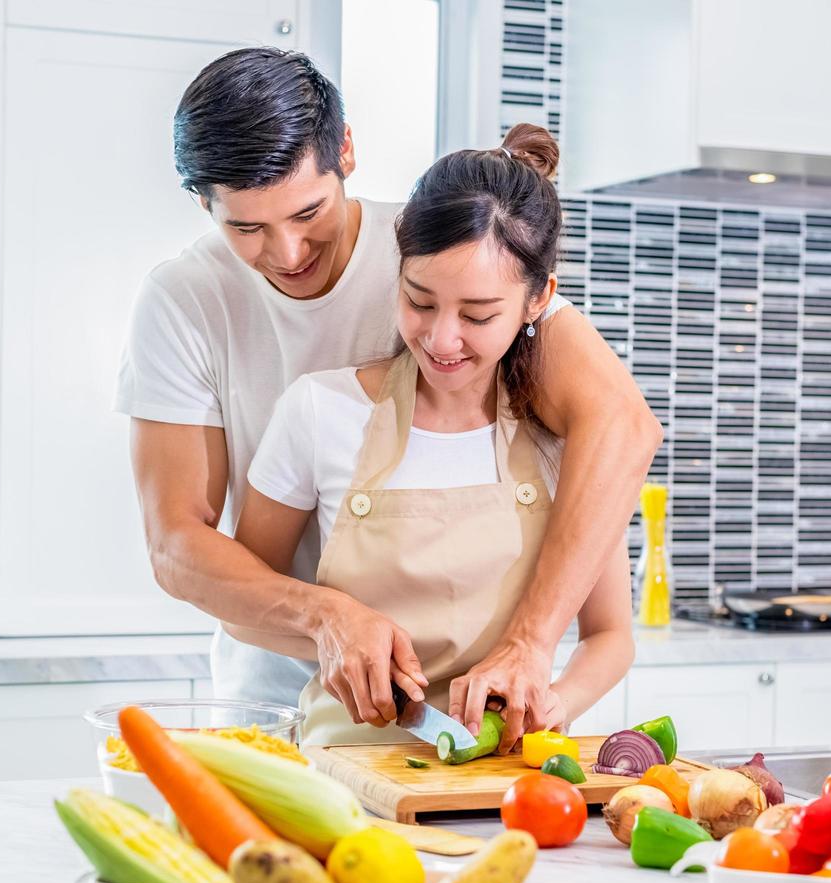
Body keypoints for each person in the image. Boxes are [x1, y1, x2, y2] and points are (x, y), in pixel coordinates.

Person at [115, 47, 659, 752]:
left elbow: (620, 424)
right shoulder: (183, 302)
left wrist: (532, 645)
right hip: (276, 701)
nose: (286, 252)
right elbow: (176, 545)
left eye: (308, 211)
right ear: (203, 203)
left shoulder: (439, 250)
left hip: (475, 732)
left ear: (345, 150)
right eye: (245, 228)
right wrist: (325, 615)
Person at [231, 125, 635, 744]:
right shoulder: (320, 411)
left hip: (506, 791)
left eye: (478, 315)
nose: (442, 340)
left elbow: (610, 636)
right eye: (420, 301)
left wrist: (555, 701)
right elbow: (243, 608)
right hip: (343, 779)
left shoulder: (565, 444)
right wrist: (328, 628)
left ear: (538, 301)